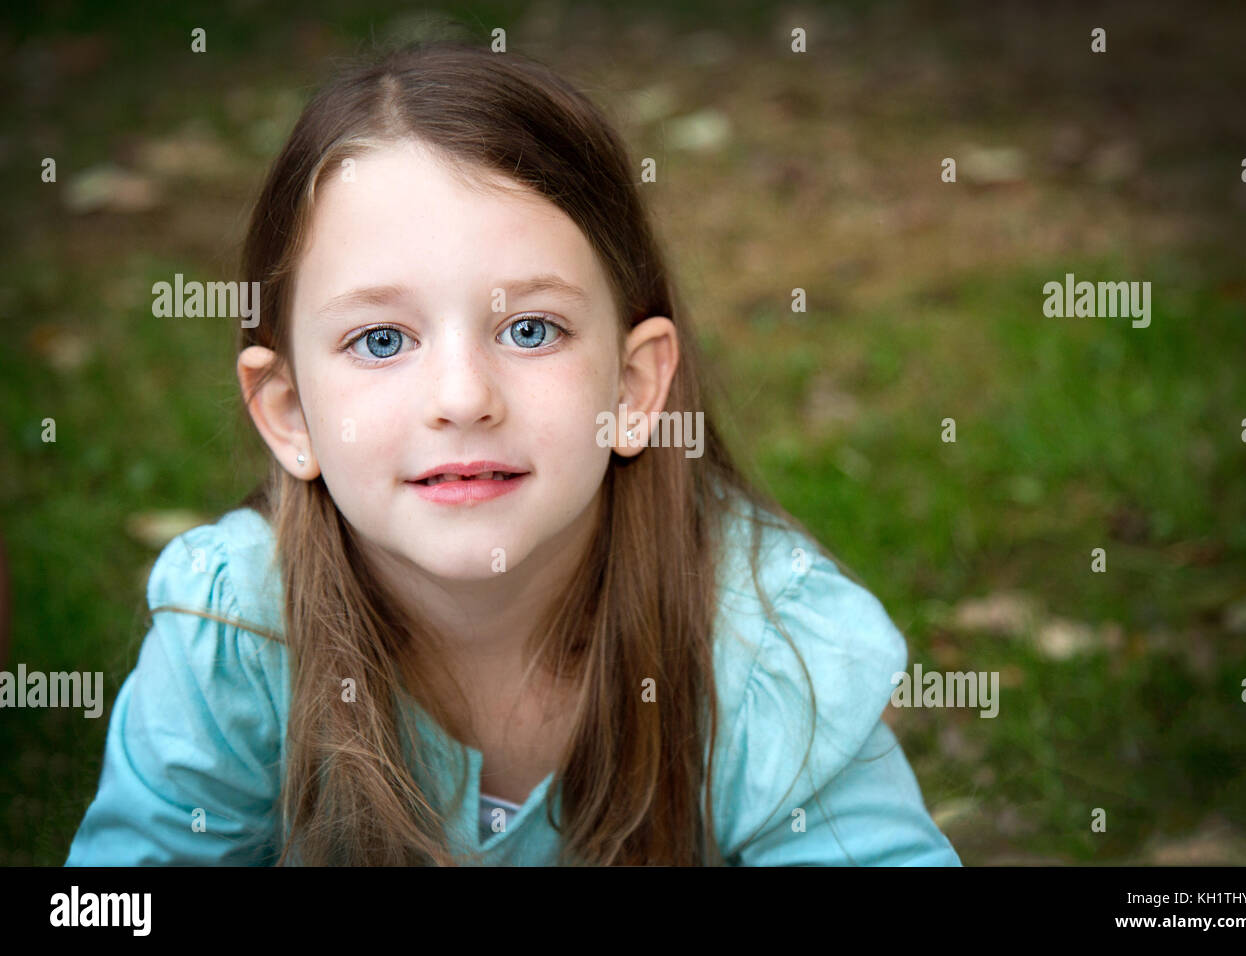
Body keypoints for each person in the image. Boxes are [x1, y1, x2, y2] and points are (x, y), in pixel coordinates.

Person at [65, 41, 961, 866]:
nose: (462, 398)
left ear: (633, 388)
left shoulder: (757, 646)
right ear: (290, 412)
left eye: (531, 329)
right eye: (381, 340)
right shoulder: (242, 635)